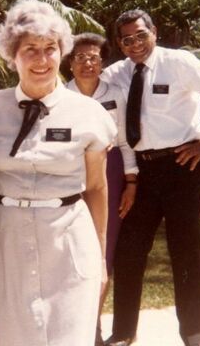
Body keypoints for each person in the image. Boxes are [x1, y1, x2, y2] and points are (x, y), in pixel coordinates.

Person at [0, 0, 117, 346]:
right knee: (8, 335)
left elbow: (97, 188)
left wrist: (100, 258)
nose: (41, 60)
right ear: (13, 56)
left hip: (68, 236)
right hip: (5, 238)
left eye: (49, 49)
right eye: (30, 50)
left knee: (68, 335)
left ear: (62, 52)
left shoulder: (88, 113)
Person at [101, 10, 200, 346]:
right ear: (120, 42)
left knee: (185, 253)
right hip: (142, 173)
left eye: (140, 35)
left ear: (154, 32)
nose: (134, 44)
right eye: (126, 39)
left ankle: (194, 337)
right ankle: (123, 334)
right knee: (129, 251)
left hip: (184, 167)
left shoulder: (178, 62)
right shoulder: (116, 73)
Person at [64, 33, 138, 346]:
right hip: (68, 174)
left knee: (101, 252)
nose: (87, 63)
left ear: (102, 63)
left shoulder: (115, 93)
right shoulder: (58, 94)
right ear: (70, 63)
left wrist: (131, 181)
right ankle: (71, 328)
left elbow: (123, 142)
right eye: (80, 57)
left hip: (110, 173)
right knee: (69, 254)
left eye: (93, 57)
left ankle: (91, 329)